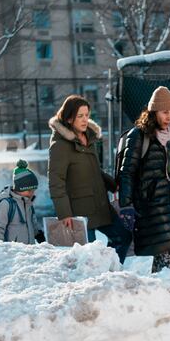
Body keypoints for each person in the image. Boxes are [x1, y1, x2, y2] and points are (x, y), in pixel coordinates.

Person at [48, 95, 128, 262]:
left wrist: (113, 185)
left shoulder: (90, 138)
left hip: (100, 205)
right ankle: (95, 282)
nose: (85, 120)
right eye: (80, 116)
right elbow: (56, 182)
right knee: (89, 257)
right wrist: (64, 213)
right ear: (69, 118)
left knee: (123, 237)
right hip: (80, 211)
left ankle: (110, 272)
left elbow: (94, 171)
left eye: (87, 115)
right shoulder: (60, 146)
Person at [117, 86, 170, 273]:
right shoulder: (138, 135)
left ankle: (159, 284)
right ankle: (159, 285)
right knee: (168, 246)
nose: (169, 117)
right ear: (153, 111)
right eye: (164, 112)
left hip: (168, 199)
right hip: (148, 202)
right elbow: (127, 172)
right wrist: (126, 204)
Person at [0, 160, 44, 244]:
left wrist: (38, 234)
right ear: (19, 188)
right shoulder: (6, 204)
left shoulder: (28, 203)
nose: (32, 193)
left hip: (29, 251)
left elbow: (32, 222)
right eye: (29, 190)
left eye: (33, 190)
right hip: (12, 253)